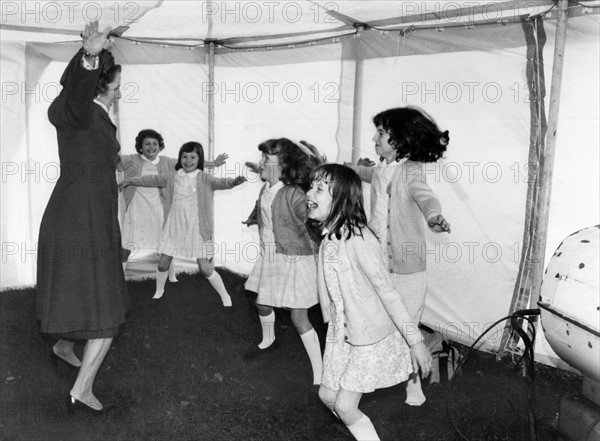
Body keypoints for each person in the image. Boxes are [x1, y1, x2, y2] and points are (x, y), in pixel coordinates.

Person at [36, 21, 129, 415]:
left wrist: (92, 55)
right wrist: (90, 56)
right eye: (117, 84)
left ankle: (63, 344)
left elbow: (73, 89)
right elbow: (76, 91)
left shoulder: (84, 114)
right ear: (100, 87)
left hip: (80, 214)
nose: (121, 90)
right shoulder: (79, 112)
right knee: (106, 308)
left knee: (80, 291)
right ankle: (82, 389)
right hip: (82, 220)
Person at [306, 163, 433, 441]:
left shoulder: (359, 239)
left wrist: (416, 341)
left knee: (344, 405)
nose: (309, 192)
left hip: (367, 339)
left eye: (319, 188)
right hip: (342, 335)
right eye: (311, 185)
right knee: (327, 394)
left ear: (340, 198)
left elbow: (388, 291)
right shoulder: (330, 237)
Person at [347, 106, 451, 407]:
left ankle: (415, 381)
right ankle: (389, 371)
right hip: (380, 263)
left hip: (408, 268)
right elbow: (365, 173)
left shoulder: (410, 170)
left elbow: (426, 196)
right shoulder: (381, 170)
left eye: (381, 133)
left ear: (400, 139)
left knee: (408, 326)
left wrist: (434, 216)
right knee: (384, 321)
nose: (374, 137)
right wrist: (347, 167)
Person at [119, 141, 245, 305]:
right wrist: (131, 181)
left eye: (193, 157)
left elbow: (221, 183)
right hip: (174, 227)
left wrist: (233, 182)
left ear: (199, 159)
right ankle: (159, 291)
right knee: (163, 264)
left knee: (205, 267)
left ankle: (225, 295)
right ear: (180, 158)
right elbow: (152, 179)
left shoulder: (204, 177)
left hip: (196, 228)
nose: (188, 160)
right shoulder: (173, 176)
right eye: (184, 156)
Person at [243, 138, 323, 386]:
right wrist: (253, 218)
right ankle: (269, 339)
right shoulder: (267, 187)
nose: (261, 163)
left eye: (266, 160)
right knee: (262, 303)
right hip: (271, 256)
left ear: (284, 164)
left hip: (294, 259)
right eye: (262, 158)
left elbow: (314, 216)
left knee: (299, 317)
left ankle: (320, 373)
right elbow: (264, 209)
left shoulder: (293, 193)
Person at [119, 129, 228, 281]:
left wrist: (213, 163)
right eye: (147, 144)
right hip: (136, 208)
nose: (151, 147)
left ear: (160, 145)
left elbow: (189, 163)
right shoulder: (130, 159)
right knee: (127, 244)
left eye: (155, 143)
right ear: (140, 146)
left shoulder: (166, 162)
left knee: (166, 244)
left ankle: (171, 277)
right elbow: (113, 159)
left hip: (157, 207)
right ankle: (119, 277)